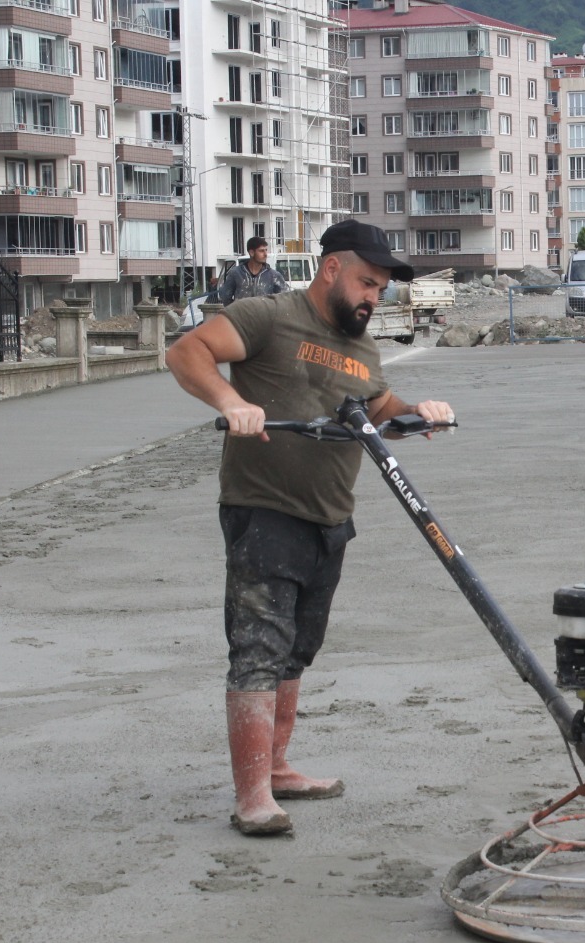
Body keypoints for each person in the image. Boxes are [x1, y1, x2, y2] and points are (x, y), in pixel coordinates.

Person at [165, 220, 454, 836]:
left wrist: (418, 413)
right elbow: (186, 351)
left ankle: (277, 767)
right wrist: (230, 402)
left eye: (381, 290)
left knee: (298, 647)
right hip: (264, 508)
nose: (374, 299)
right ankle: (252, 798)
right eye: (367, 283)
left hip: (330, 516)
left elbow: (378, 409)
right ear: (332, 270)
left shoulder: (361, 348)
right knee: (259, 648)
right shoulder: (267, 316)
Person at [217, 236, 290, 305]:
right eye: (261, 251)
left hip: (264, 317)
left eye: (266, 250)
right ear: (251, 253)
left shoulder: (273, 275)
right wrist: (236, 312)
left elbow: (286, 297)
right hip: (242, 317)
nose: (265, 254)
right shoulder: (236, 273)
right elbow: (225, 296)